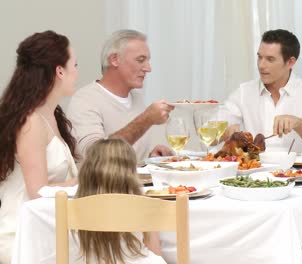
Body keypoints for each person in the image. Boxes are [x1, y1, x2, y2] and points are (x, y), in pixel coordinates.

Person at [0, 31, 79, 264]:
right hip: (23, 239)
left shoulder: (51, 114)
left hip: (46, 230)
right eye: (75, 65)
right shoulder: (31, 122)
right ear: (59, 71)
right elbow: (38, 192)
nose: (77, 73)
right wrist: (85, 180)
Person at [67, 29, 174, 163]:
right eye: (141, 60)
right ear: (114, 60)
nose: (148, 68)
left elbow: (127, 157)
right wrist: (146, 119)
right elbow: (95, 157)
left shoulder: (137, 98)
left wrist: (150, 156)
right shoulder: (84, 100)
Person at [220, 29, 302, 153]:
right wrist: (226, 132)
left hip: (298, 170)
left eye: (270, 59)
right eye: (260, 57)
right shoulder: (244, 92)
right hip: (255, 169)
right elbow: (209, 134)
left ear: (290, 62)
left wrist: (298, 123)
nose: (261, 65)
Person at [74, 138, 166, 264]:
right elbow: (155, 251)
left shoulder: (75, 207)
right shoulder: (144, 204)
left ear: (87, 172)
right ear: (131, 173)